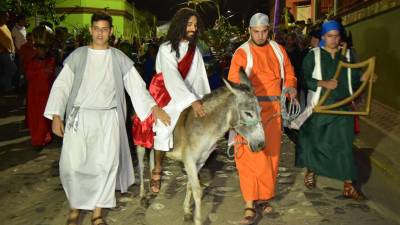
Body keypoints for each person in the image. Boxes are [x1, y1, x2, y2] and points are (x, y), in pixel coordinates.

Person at [43, 12, 170, 225]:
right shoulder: (78, 56)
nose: (100, 33)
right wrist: (56, 114)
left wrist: (154, 107)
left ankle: (97, 213)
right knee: (72, 165)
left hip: (108, 119)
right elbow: (61, 86)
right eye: (96, 28)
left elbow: (136, 86)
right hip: (80, 118)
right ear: (91, 30)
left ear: (110, 32)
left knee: (105, 166)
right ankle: (75, 207)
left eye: (104, 29)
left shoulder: (119, 58)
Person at [227, 13, 297, 224]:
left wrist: (291, 86)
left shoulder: (278, 49)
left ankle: (264, 197)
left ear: (269, 30)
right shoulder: (242, 52)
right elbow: (234, 81)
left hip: (274, 110)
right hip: (251, 112)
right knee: (247, 156)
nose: (259, 35)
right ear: (249, 30)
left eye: (263, 31)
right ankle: (249, 204)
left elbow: (289, 71)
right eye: (255, 31)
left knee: (270, 156)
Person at [132, 8, 210, 193]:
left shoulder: (194, 50)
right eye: (189, 24)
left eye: (195, 25)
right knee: (163, 127)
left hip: (189, 95)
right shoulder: (165, 48)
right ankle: (157, 169)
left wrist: (202, 99)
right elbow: (172, 77)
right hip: (167, 95)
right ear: (180, 25)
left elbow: (199, 77)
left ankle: (193, 168)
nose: (193, 28)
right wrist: (191, 100)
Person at [295, 20, 367, 201]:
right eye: (329, 36)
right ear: (323, 37)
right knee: (316, 143)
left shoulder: (348, 55)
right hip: (320, 106)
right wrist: (322, 82)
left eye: (336, 36)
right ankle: (311, 170)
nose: (333, 39)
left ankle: (348, 185)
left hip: (342, 108)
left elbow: (355, 79)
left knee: (344, 146)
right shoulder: (314, 55)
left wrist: (365, 77)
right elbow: (303, 79)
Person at [26, 25, 56, 149]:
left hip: (46, 94)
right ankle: (37, 140)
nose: (39, 51)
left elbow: (47, 75)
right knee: (35, 118)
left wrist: (40, 69)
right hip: (33, 94)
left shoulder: (51, 61)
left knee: (44, 118)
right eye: (37, 48)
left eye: (42, 49)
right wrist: (39, 69)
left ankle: (45, 137)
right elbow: (29, 75)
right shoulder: (32, 60)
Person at [0, 10, 17, 92]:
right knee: (13, 68)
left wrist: (13, 50)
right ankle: (3, 83)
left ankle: (8, 87)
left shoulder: (5, 26)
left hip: (11, 52)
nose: (8, 18)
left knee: (8, 70)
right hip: (4, 53)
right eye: (6, 16)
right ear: (1, 17)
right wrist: (6, 50)